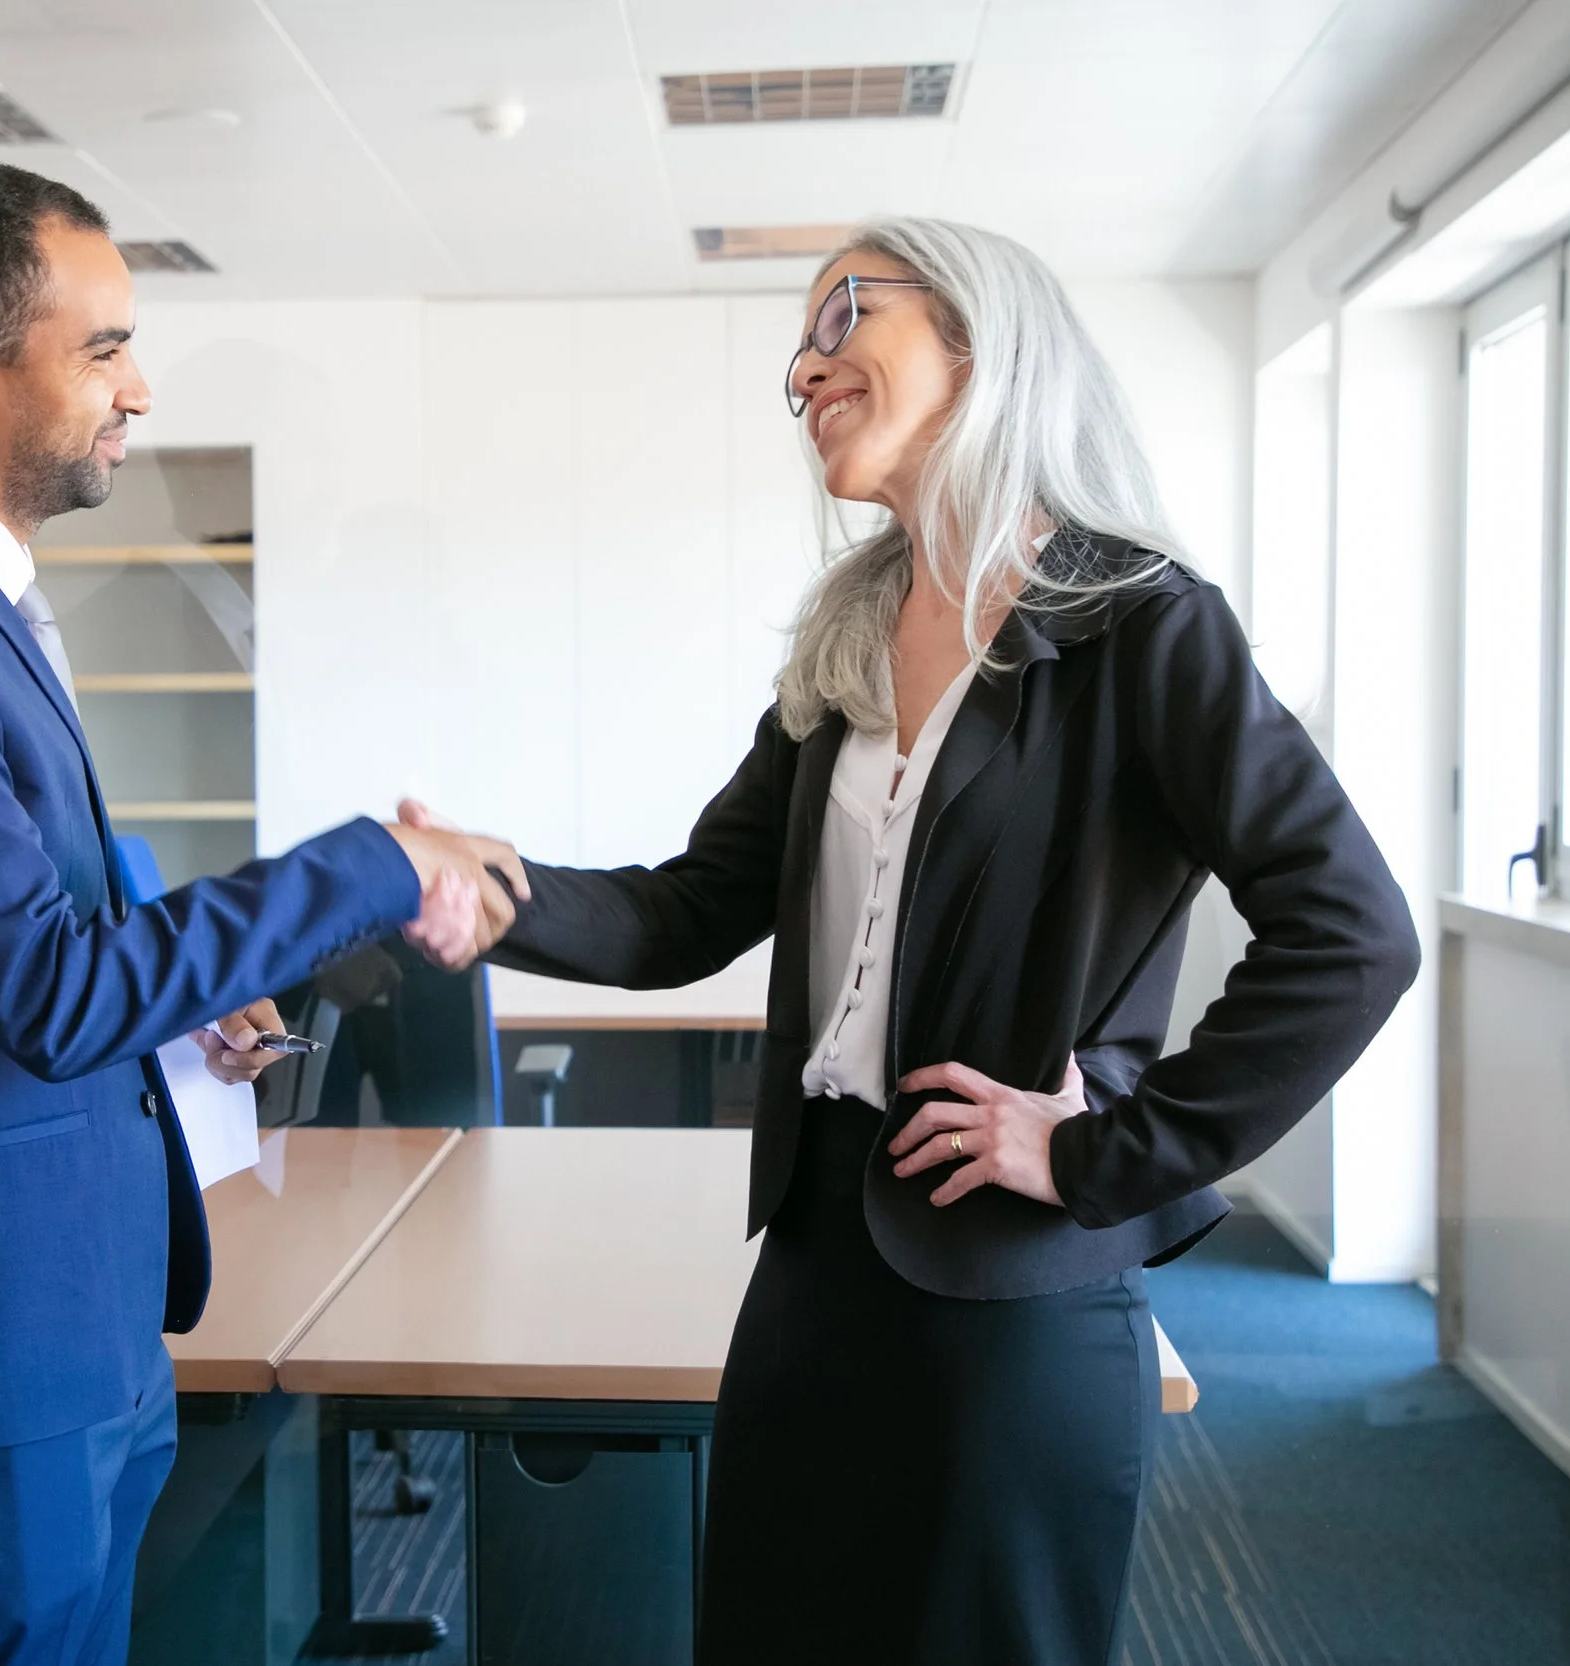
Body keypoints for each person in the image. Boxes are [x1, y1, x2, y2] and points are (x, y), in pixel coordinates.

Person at [428, 218, 1421, 1663]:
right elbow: (690, 905)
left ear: (980, 335)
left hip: (1014, 1292)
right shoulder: (847, 643)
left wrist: (1103, 1149)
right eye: (800, 345)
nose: (804, 367)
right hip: (815, 1258)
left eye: (844, 315)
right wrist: (491, 890)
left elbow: (1353, 934)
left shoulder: (1140, 625)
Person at [0, 161, 524, 1666]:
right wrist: (375, 865)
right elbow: (48, 985)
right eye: (102, 349)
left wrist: (187, 1001)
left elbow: (39, 940)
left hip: (70, 1328)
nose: (137, 386)